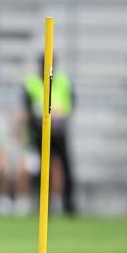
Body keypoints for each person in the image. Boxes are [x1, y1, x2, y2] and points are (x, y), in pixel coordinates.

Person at [23, 56, 76, 214]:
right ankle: (43, 204)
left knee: (65, 167)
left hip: (59, 131)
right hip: (40, 132)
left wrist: (62, 114)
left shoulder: (63, 81)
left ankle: (68, 204)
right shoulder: (31, 83)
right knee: (42, 169)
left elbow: (71, 103)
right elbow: (28, 107)